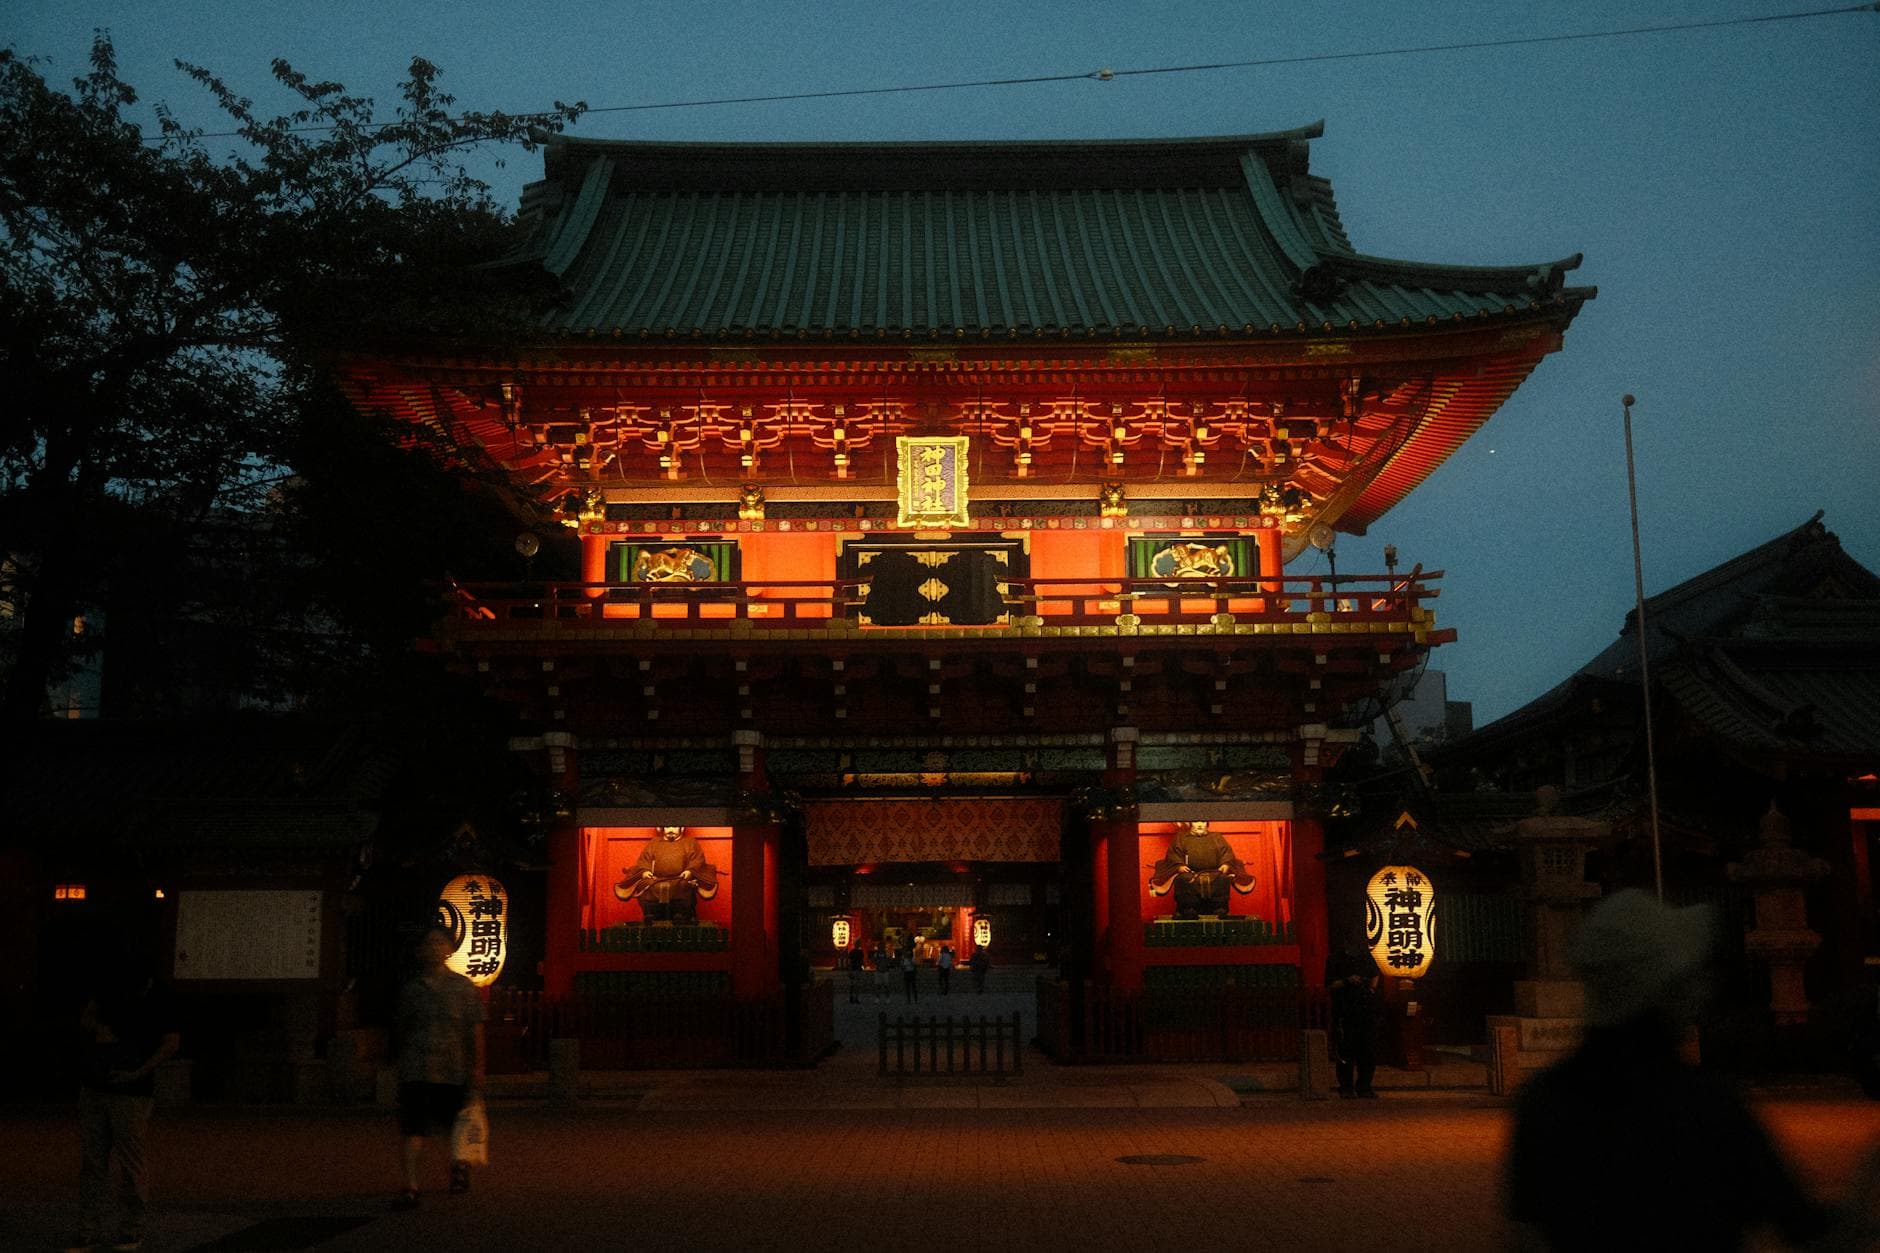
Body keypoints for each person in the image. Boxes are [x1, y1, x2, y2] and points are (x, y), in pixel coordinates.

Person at [1505, 889, 1838, 1249]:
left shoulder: (1545, 1101)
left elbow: (1526, 1235)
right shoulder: (1707, 1106)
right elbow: (1802, 1225)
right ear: (1665, 990)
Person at [73, 952, 180, 1252]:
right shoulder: (110, 987)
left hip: (131, 1091)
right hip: (98, 1085)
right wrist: (98, 1029)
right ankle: (89, 1227)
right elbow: (89, 1016)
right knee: (94, 1162)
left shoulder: (160, 997)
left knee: (129, 1162)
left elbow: (171, 1043)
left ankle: (130, 1226)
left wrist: (137, 1072)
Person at [393, 927, 486, 1210]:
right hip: (416, 1068)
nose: (434, 947)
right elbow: (401, 1029)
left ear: (450, 949)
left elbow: (475, 1029)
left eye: (440, 942)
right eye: (428, 942)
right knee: (413, 1129)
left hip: (452, 1068)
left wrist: (478, 1066)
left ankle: (458, 1167)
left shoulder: (463, 987)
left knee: (453, 1128)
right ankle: (411, 1186)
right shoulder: (411, 990)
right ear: (421, 951)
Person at [1149, 820, 1256, 919]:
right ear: (1191, 824)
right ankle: (1188, 908)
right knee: (1182, 880)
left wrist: (1226, 864)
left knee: (1223, 879)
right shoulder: (1181, 838)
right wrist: (1179, 866)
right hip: (1190, 874)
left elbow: (1226, 853)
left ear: (1207, 824)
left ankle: (1219, 908)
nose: (1200, 825)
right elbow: (1173, 855)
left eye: (1203, 822)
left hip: (1215, 873)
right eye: (1196, 822)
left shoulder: (1216, 837)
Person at [1325, 939, 1379, 1098]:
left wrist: (1371, 989)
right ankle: (1346, 1087)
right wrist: (1346, 981)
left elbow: (1375, 973)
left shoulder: (1365, 956)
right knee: (1345, 1052)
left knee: (1368, 1051)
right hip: (1345, 1010)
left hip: (1366, 1009)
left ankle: (1364, 1086)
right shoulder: (1335, 958)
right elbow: (1329, 985)